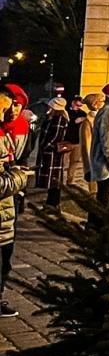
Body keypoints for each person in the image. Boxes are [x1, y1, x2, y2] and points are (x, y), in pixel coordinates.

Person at [0, 100, 32, 317]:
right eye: (4, 107)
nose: (11, 111)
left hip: (5, 214)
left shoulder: (9, 131)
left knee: (5, 260)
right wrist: (19, 178)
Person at [35, 96, 71, 209]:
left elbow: (56, 136)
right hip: (49, 152)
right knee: (52, 180)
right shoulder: (51, 118)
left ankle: (53, 203)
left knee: (53, 179)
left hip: (52, 153)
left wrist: (46, 146)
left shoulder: (59, 119)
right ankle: (51, 202)